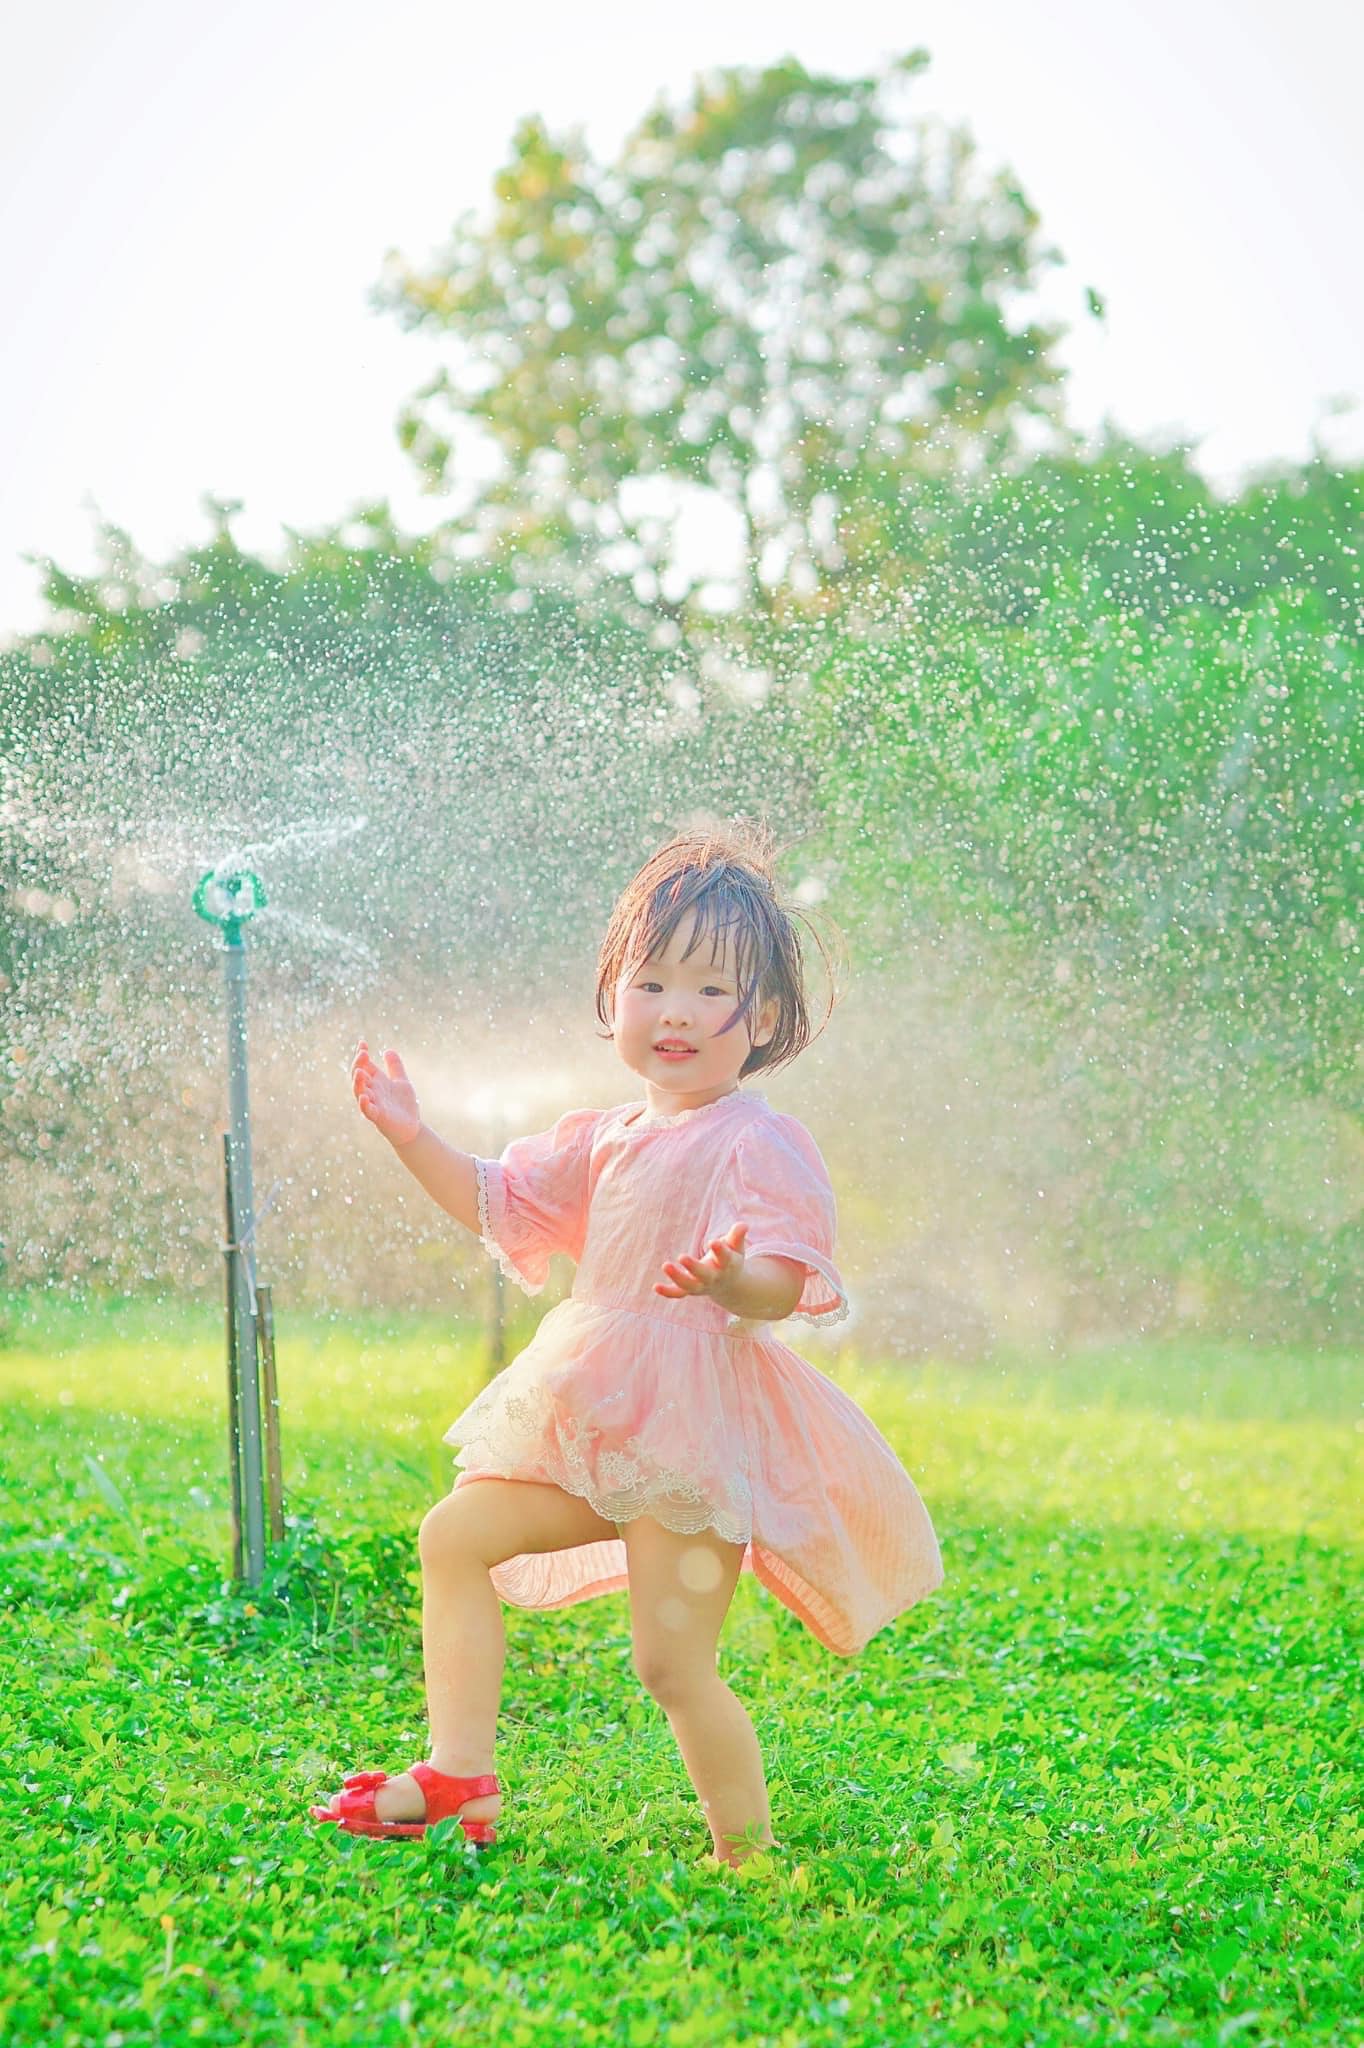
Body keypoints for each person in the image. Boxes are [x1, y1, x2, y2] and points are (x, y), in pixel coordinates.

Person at [310, 823, 944, 1865]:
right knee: (453, 1533)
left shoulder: (756, 1138)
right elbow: (493, 1197)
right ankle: (458, 1769)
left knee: (670, 1662)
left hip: (689, 1445)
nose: (674, 1012)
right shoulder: (602, 1137)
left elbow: (783, 1278)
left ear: (767, 1017)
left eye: (708, 990)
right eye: (649, 983)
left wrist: (726, 1277)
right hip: (594, 1425)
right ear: (612, 999)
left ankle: (748, 1851)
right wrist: (410, 1134)